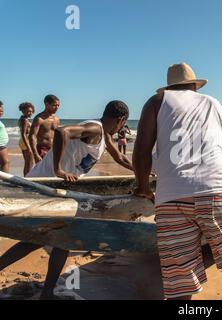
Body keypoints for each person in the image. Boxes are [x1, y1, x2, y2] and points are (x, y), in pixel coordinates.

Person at [133, 63, 222, 300]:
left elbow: (140, 152)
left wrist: (143, 188)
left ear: (169, 86)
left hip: (171, 200)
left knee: (180, 282)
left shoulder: (157, 101)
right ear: (193, 86)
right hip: (216, 193)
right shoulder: (214, 103)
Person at [0, 101, 133, 299]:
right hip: (44, 186)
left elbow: (120, 158)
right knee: (55, 239)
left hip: (55, 190)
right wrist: (58, 170)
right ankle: (47, 292)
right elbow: (63, 132)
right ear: (121, 120)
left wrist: (145, 173)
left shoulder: (103, 135)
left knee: (50, 240)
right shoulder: (95, 129)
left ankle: (47, 292)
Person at [29, 95, 61, 164]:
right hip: (42, 149)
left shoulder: (57, 119)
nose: (57, 107)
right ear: (47, 104)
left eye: (58, 105)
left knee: (54, 172)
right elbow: (32, 136)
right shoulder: (39, 119)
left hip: (54, 149)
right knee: (42, 173)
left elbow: (59, 136)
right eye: (54, 105)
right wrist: (35, 154)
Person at [18, 102, 36, 176]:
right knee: (30, 163)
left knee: (28, 162)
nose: (30, 113)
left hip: (23, 142)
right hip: (26, 142)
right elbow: (23, 134)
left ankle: (26, 178)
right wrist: (29, 147)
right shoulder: (24, 120)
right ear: (23, 110)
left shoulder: (23, 118)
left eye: (31, 111)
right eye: (28, 111)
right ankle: (27, 179)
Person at [0, 101, 10, 173]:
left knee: (4, 163)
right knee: (5, 162)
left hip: (2, 145)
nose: (1, 112)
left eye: (2, 111)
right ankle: (3, 181)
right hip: (0, 145)